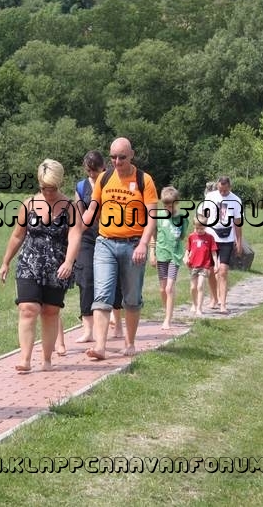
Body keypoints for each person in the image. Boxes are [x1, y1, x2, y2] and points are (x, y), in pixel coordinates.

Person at [0, 159, 82, 373]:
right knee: (28, 309)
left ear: (59, 184)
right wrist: (5, 262)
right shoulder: (28, 205)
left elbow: (74, 236)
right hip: (29, 262)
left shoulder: (69, 207)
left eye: (52, 188)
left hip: (57, 266)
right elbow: (18, 235)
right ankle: (25, 359)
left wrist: (69, 262)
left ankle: (46, 359)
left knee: (50, 312)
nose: (48, 192)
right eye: (44, 188)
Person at [82, 137, 158, 359]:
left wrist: (144, 244)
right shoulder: (104, 179)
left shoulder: (145, 180)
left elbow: (152, 217)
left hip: (134, 245)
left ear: (132, 155)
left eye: (122, 157)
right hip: (105, 243)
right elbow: (92, 211)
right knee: (102, 295)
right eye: (113, 157)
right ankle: (100, 347)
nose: (117, 161)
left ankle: (130, 343)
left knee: (132, 298)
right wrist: (76, 226)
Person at [73, 150, 123, 344]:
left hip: (110, 233)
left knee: (113, 278)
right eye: (89, 171)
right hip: (87, 236)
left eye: (95, 170)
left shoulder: (113, 182)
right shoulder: (81, 186)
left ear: (104, 167)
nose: (92, 175)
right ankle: (88, 330)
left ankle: (117, 322)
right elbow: (79, 214)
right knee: (85, 279)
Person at [198, 176, 243, 315]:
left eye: (225, 190)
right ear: (217, 186)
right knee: (211, 270)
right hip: (211, 236)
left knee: (223, 271)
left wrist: (239, 242)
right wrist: (198, 234)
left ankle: (223, 304)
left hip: (227, 239)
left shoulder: (236, 200)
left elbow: (237, 222)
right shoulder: (210, 197)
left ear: (230, 187)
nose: (222, 192)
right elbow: (202, 217)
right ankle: (214, 298)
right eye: (220, 189)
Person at [149, 186, 187, 330]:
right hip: (161, 254)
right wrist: (152, 252)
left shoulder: (181, 218)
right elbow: (153, 235)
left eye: (170, 206)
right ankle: (167, 311)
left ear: (176, 203)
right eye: (165, 205)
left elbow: (183, 236)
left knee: (170, 288)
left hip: (174, 256)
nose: (167, 208)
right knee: (162, 289)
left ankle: (167, 319)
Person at [183, 217, 218, 315]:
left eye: (202, 229)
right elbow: (188, 250)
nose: (199, 231)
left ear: (206, 227)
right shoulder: (191, 237)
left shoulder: (210, 237)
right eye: (197, 228)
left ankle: (199, 308)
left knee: (200, 286)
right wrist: (186, 257)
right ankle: (194, 304)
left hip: (205, 265)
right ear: (194, 226)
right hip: (193, 265)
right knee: (193, 287)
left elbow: (213, 252)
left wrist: (216, 264)